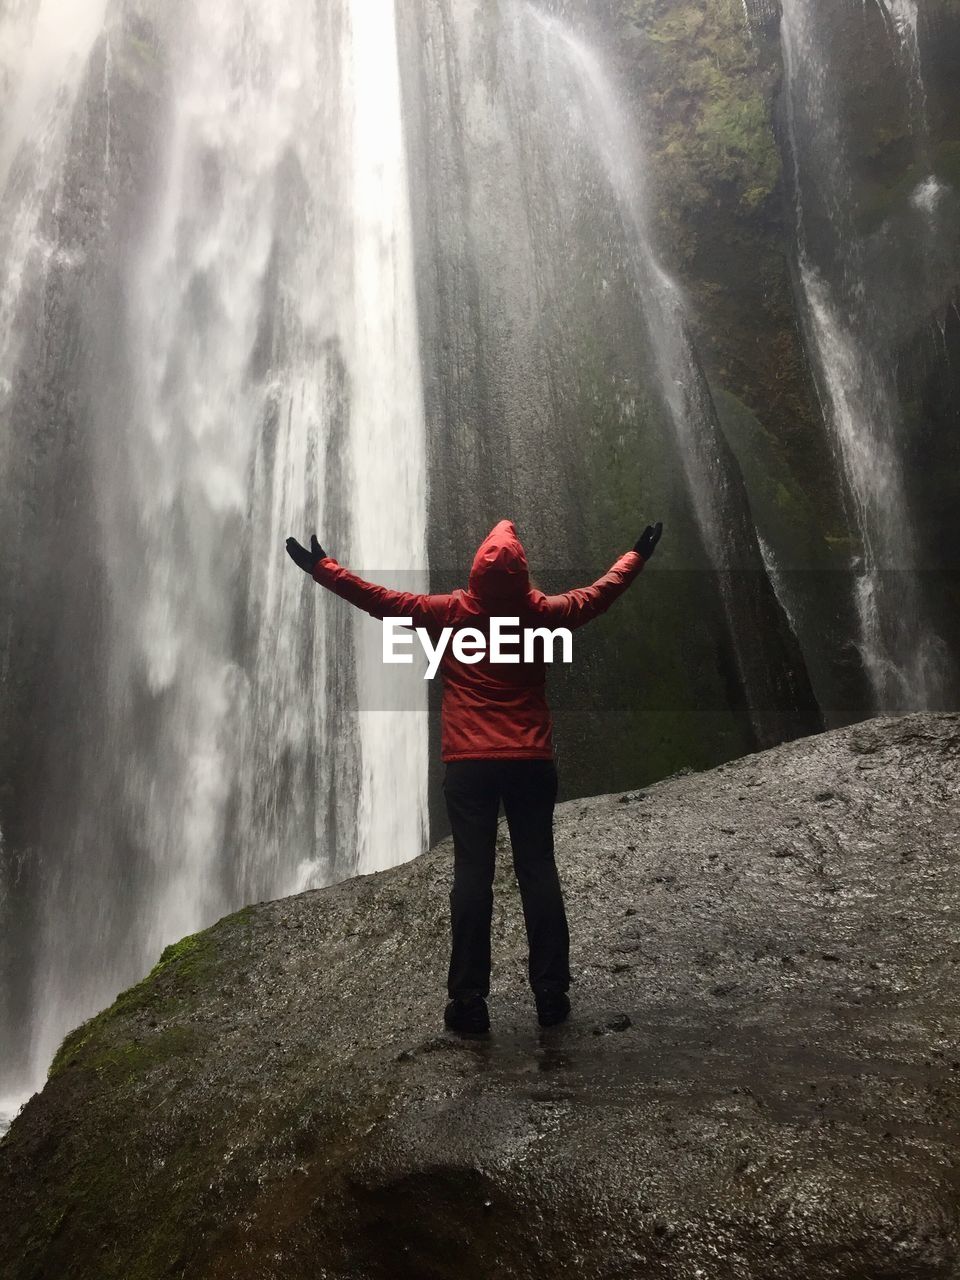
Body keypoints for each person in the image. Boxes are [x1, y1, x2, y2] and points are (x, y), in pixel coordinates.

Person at [286, 517, 663, 1034]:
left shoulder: (447, 613)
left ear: (476, 572)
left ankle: (469, 1003)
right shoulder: (543, 614)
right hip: (530, 762)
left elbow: (379, 600)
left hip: (469, 766)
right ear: (524, 573)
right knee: (537, 871)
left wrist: (323, 569)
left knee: (472, 877)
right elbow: (599, 595)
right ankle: (551, 996)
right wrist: (636, 555)